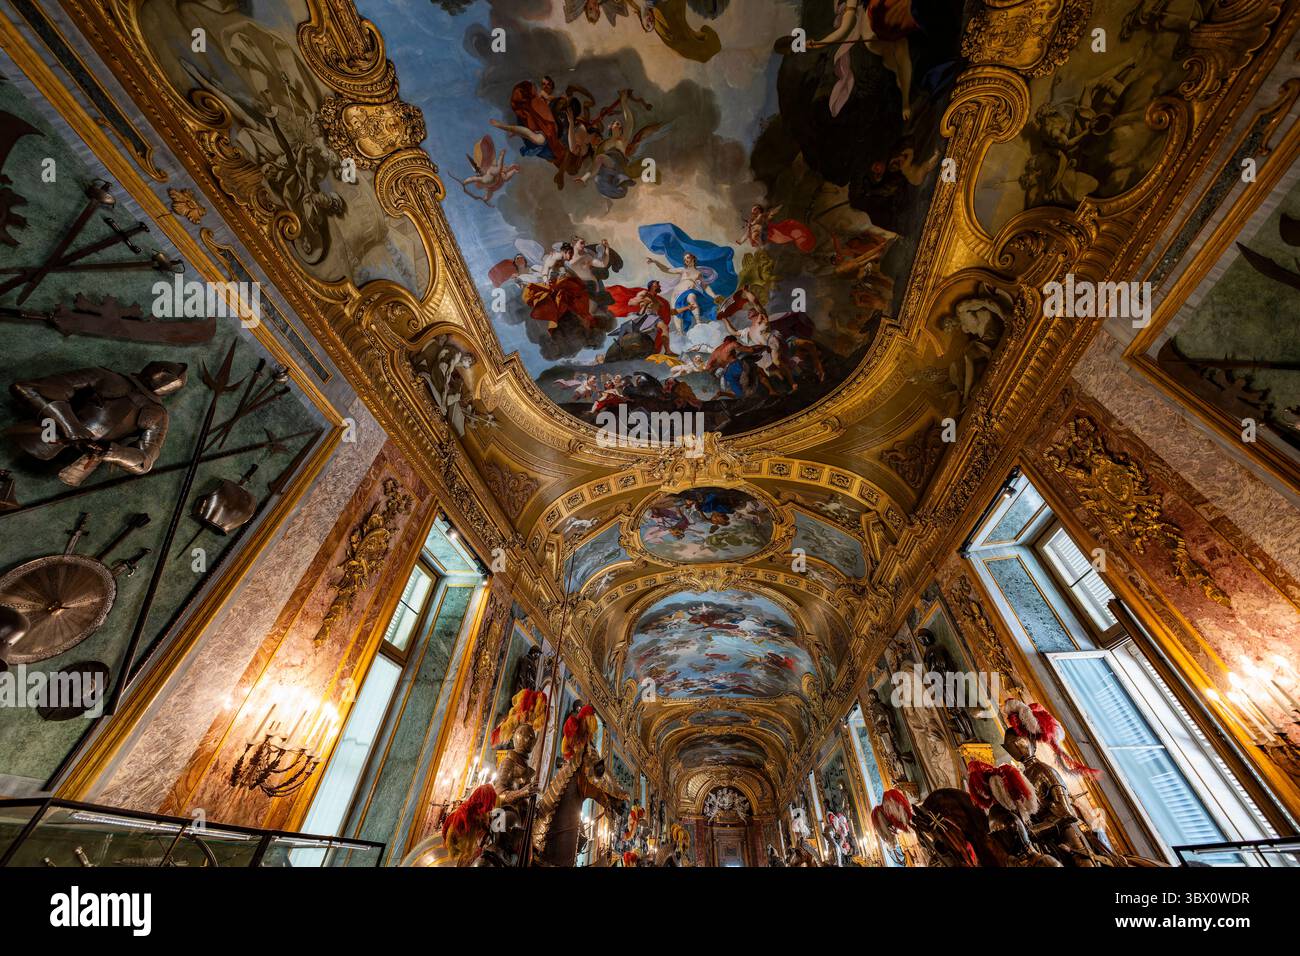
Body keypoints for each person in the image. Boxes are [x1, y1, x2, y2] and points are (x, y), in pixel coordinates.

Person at [9, 361, 187, 486]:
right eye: (168, 375)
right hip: (42, 436)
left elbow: (145, 462)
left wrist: (115, 452)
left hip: (79, 465)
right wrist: (71, 426)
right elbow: (30, 388)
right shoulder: (104, 376)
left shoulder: (159, 414)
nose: (169, 380)